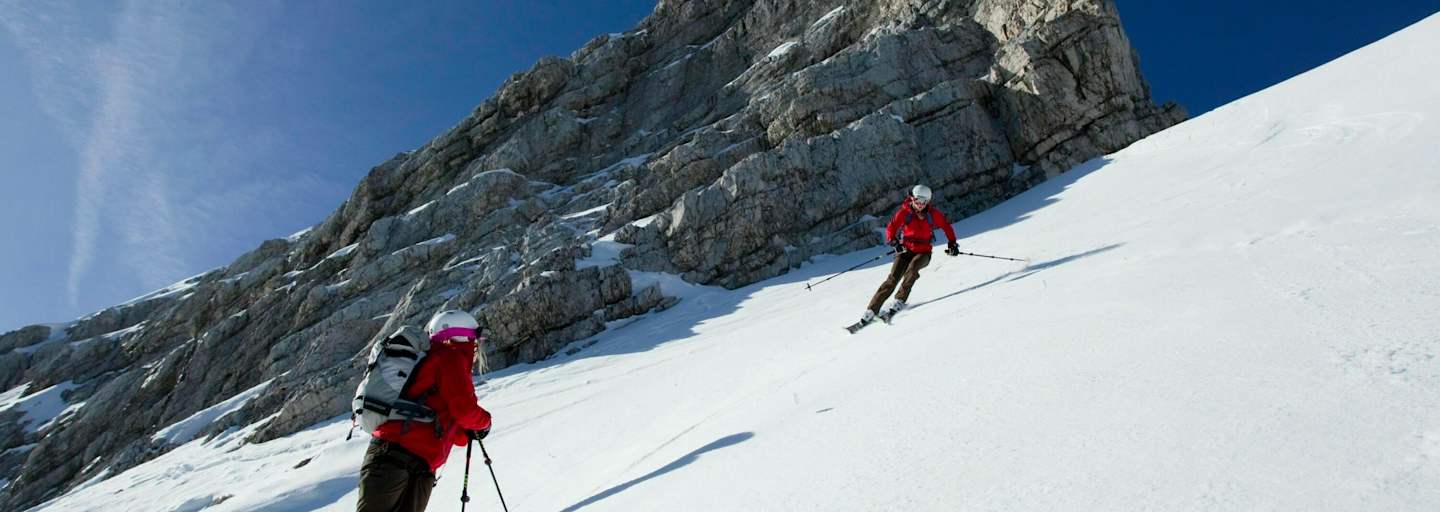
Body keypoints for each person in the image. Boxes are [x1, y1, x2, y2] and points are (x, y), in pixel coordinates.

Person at [357, 310, 493, 512]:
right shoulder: (449, 357)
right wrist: (485, 422)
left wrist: (467, 431)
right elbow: (464, 410)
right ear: (462, 337)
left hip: (401, 460)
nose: (476, 348)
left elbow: (451, 427)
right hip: (403, 459)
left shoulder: (433, 360)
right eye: (474, 340)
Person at [862, 184, 960, 323]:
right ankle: (872, 309)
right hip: (906, 250)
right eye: (917, 201)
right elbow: (891, 227)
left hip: (924, 252)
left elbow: (946, 227)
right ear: (912, 198)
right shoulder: (905, 212)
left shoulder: (933, 214)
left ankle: (899, 300)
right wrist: (894, 242)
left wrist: (952, 243)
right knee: (893, 278)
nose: (920, 205)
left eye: (924, 202)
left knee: (912, 270)